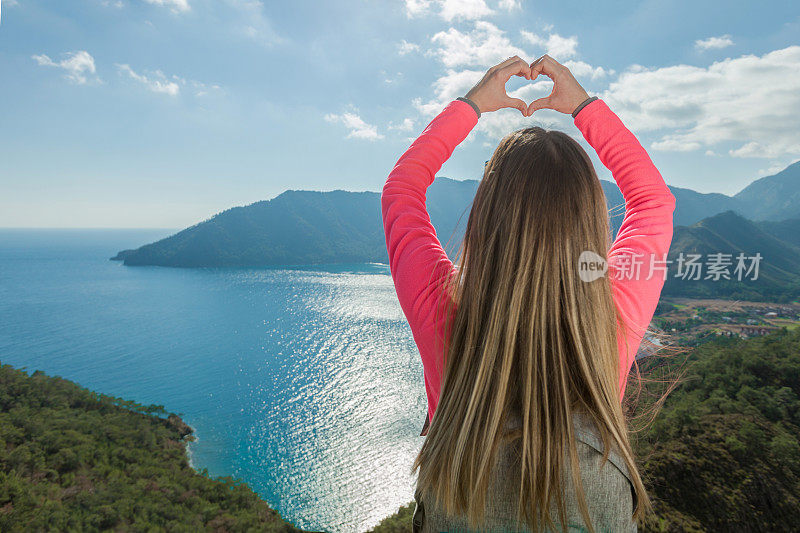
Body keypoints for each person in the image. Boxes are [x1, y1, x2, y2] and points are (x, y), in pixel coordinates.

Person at [380, 54, 675, 532]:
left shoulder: (445, 315)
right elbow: (654, 202)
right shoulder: (610, 317)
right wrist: (584, 105)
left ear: (486, 218)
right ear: (589, 222)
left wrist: (472, 104)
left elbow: (402, 190)